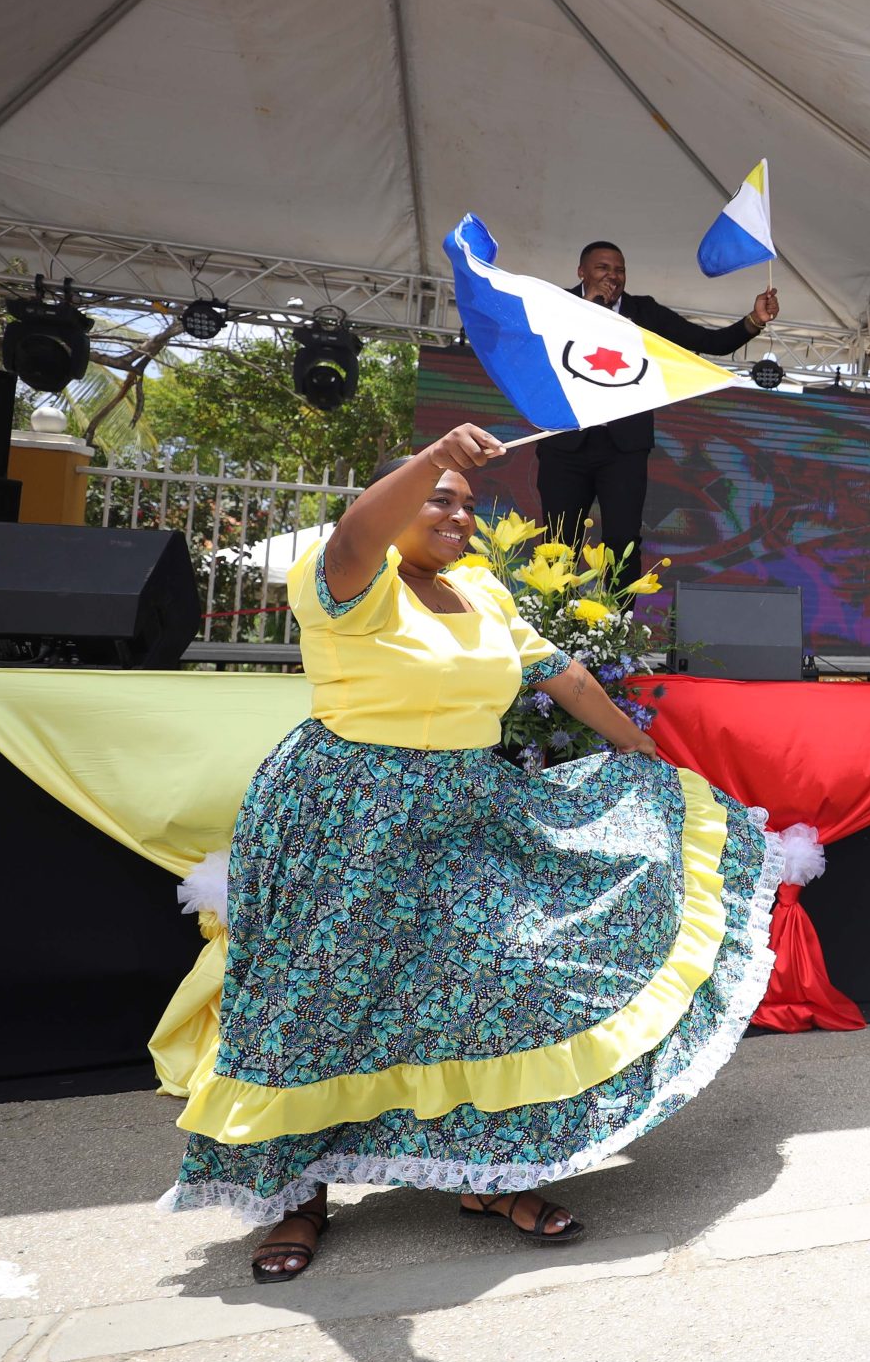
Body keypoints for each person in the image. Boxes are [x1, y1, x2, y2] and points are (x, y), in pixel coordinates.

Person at [163, 425, 784, 1280]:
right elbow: (351, 533)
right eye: (437, 497)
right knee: (314, 1005)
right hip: (346, 819)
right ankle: (293, 1195)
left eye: (466, 502)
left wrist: (638, 751)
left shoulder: (480, 591)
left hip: (465, 814)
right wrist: (431, 455)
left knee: (497, 984)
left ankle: (490, 1173)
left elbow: (560, 672)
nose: (458, 515)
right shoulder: (350, 580)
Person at [536, 240, 778, 573]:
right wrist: (587, 310)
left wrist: (755, 319)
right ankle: (549, 620)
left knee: (623, 542)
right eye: (602, 268)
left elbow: (709, 343)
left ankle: (617, 622)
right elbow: (525, 350)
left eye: (620, 269)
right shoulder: (556, 305)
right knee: (559, 542)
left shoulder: (644, 312)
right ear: (581, 271)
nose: (613, 275)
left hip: (623, 449)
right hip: (565, 443)